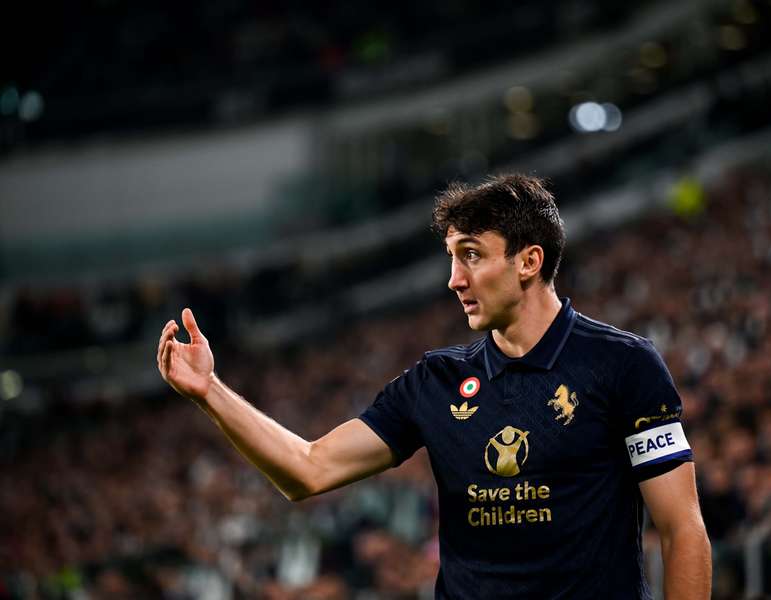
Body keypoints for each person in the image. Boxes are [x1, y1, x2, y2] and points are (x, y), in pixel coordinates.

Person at [158, 174, 711, 599]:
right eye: (451, 258)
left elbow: (681, 527)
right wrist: (212, 392)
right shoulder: (435, 381)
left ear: (529, 261)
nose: (454, 280)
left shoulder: (623, 365)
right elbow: (309, 468)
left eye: (471, 255)